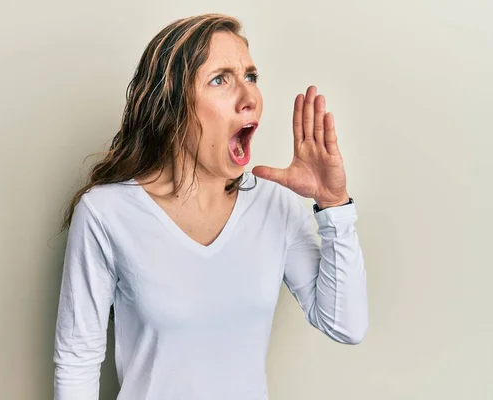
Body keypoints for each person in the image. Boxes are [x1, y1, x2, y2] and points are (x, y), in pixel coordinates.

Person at [53, 13, 368, 400]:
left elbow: (345, 324)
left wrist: (333, 205)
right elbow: (77, 362)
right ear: (171, 105)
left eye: (251, 77)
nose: (250, 98)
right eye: (220, 79)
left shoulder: (273, 203)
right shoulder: (106, 212)